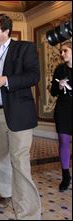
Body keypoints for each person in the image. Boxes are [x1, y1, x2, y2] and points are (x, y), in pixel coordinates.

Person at [0, 14, 41, 219]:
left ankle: (28, 213)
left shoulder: (25, 48)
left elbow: (33, 76)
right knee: (0, 157)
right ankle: (6, 192)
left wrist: (5, 80)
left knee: (20, 162)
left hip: (18, 113)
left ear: (6, 31)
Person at [50, 40, 72, 192]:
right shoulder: (59, 69)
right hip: (63, 108)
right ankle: (66, 176)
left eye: (65, 51)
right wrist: (58, 86)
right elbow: (52, 92)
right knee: (64, 141)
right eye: (61, 51)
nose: (62, 54)